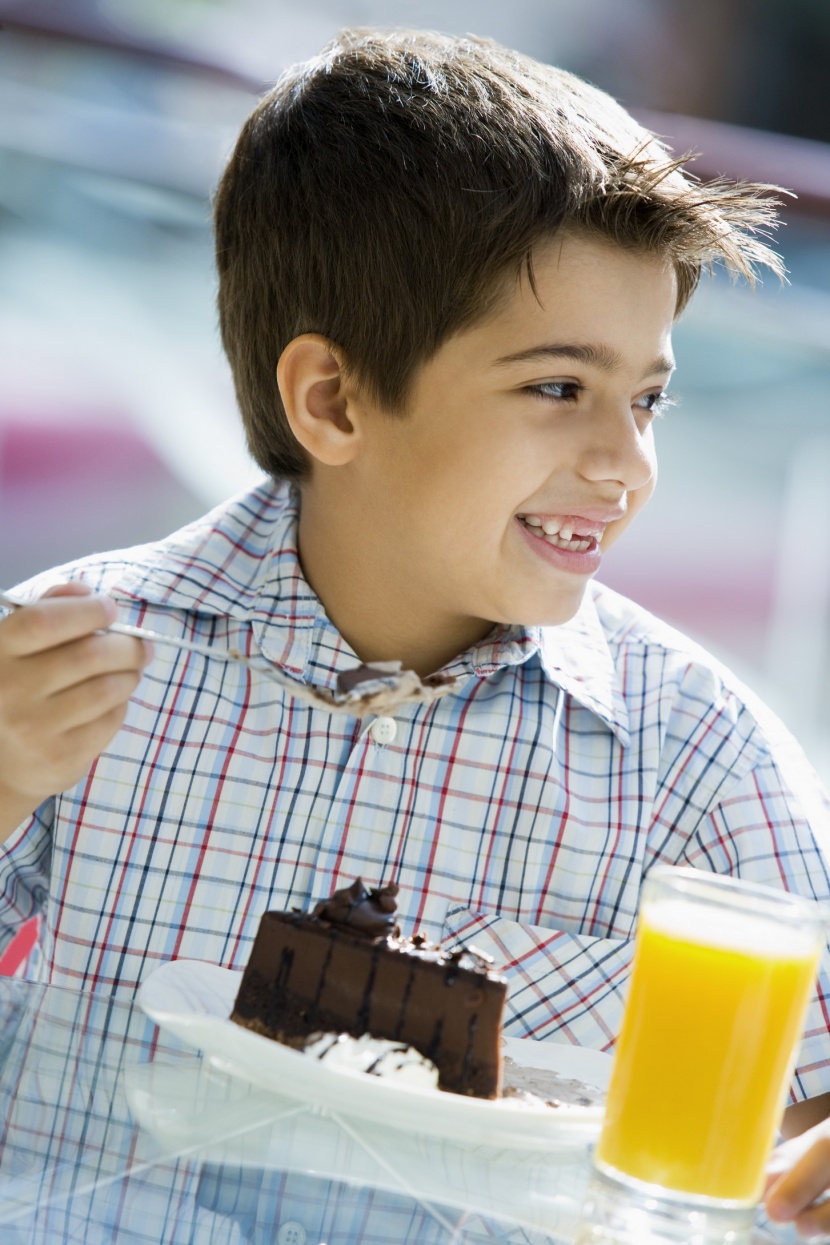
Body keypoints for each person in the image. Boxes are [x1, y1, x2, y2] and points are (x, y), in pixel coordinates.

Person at [1, 27, 830, 1145]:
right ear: (334, 402)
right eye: (554, 386)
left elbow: (805, 1111)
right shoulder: (66, 669)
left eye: (644, 400)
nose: (624, 465)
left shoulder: (697, 761)